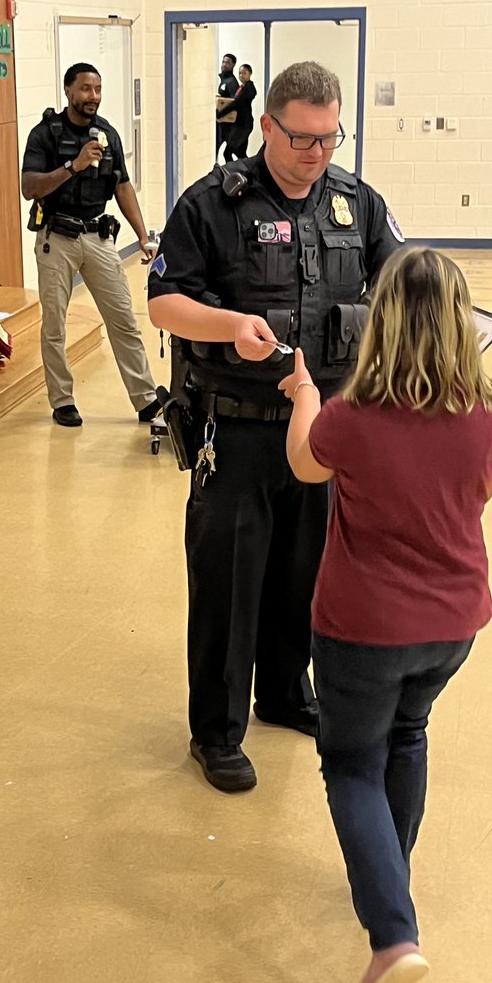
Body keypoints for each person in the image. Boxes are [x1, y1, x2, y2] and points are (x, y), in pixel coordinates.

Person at [148, 61, 404, 793]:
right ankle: (217, 731)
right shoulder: (212, 204)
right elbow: (164, 301)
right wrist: (231, 325)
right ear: (266, 127)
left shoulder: (357, 202)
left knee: (305, 575)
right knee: (230, 584)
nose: (317, 153)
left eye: (329, 137)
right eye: (301, 138)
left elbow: (401, 280)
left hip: (321, 430)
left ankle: (287, 694)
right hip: (237, 431)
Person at [277, 247, 492, 983]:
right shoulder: (489, 412)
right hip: (453, 625)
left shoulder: (353, 416)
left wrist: (306, 393)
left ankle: (392, 935)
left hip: (362, 629)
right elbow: (482, 491)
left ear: (380, 322)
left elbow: (307, 465)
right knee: (407, 736)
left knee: (350, 765)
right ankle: (392, 874)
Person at [21, 63, 160, 427]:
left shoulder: (107, 134)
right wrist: (74, 165)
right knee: (55, 325)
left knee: (124, 320)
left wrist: (144, 237)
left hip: (98, 238)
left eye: (97, 89)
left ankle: (146, 399)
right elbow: (29, 188)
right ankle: (63, 399)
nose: (93, 97)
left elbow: (122, 186)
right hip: (57, 239)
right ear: (68, 91)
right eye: (85, 89)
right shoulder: (45, 135)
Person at [219, 64, 257, 160]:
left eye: (244, 73)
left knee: (227, 153)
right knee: (241, 154)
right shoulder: (242, 87)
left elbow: (236, 103)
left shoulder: (249, 88)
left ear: (250, 74)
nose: (241, 75)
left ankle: (231, 173)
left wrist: (220, 113)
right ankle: (248, 173)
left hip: (243, 125)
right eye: (240, 73)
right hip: (241, 124)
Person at [215, 54, 239, 163]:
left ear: (233, 65)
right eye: (223, 62)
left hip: (228, 124)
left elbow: (233, 103)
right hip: (222, 122)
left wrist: (220, 113)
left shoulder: (232, 82)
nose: (224, 65)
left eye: (228, 63)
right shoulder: (224, 80)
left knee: (230, 152)